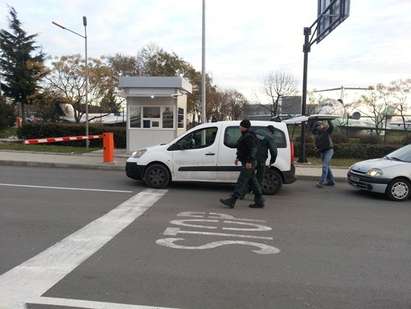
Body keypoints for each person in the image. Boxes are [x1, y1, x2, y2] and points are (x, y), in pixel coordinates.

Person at [220, 120, 265, 209]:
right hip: (247, 161)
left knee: (241, 181)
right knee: (253, 182)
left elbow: (253, 149)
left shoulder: (249, 137)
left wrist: (249, 161)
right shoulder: (246, 135)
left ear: (244, 127)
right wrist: (238, 158)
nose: (239, 127)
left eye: (241, 126)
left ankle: (232, 200)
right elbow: (242, 149)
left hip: (249, 163)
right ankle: (260, 200)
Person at [241, 125, 278, 198]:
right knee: (259, 178)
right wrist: (272, 161)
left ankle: (241, 194)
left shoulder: (256, 132)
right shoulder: (269, 137)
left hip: (251, 158)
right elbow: (274, 151)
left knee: (248, 176)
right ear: (271, 131)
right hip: (261, 159)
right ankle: (257, 198)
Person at [312, 120, 335, 188]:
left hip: (329, 150)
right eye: (318, 125)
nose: (320, 126)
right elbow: (317, 145)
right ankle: (331, 181)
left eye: (321, 125)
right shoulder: (316, 135)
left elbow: (331, 127)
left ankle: (321, 182)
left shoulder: (326, 131)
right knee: (327, 166)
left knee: (325, 166)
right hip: (322, 151)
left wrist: (328, 120)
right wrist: (317, 148)